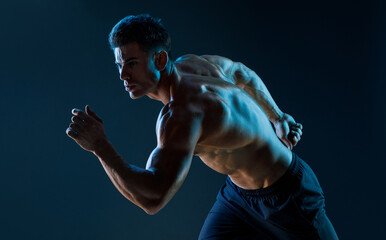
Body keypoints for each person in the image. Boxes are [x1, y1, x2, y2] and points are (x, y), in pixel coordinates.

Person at [66, 14, 338, 239]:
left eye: (132, 64)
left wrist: (100, 147)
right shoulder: (192, 65)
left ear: (160, 60)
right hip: (238, 197)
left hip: (289, 196)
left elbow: (153, 197)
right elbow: (242, 73)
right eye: (119, 65)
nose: (123, 75)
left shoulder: (182, 114)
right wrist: (277, 116)